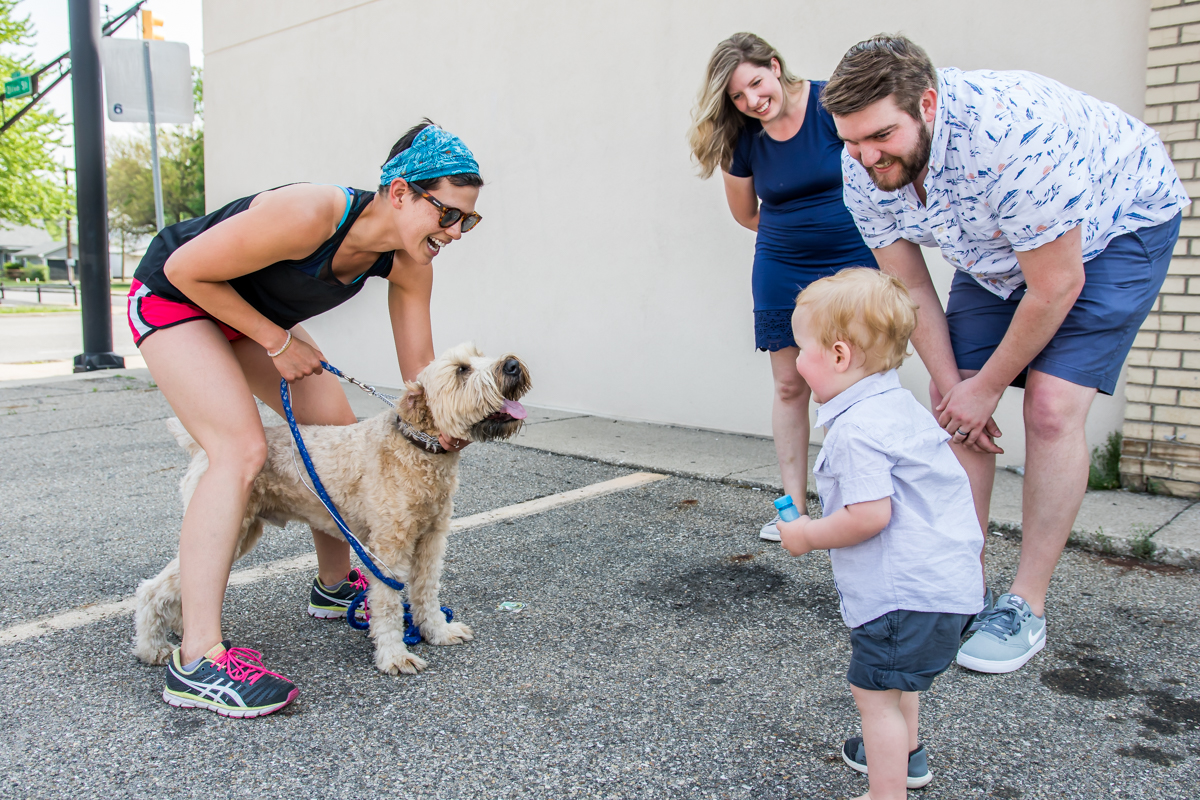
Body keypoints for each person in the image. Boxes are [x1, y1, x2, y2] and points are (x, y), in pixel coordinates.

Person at [821, 35, 1188, 675]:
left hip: (1116, 227)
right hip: (996, 247)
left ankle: (1025, 604)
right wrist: (956, 387)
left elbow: (1056, 284)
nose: (865, 156)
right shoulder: (862, 162)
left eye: (880, 137)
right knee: (953, 403)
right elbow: (908, 285)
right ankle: (961, 582)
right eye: (851, 141)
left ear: (927, 105)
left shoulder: (1012, 138)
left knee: (1049, 407)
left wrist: (988, 386)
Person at [127, 121, 483, 717]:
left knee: (340, 437)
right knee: (240, 452)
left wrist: (446, 424)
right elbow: (186, 271)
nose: (455, 232)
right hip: (176, 298)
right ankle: (198, 659)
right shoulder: (312, 211)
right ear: (399, 193)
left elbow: (421, 372)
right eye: (447, 214)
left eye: (467, 221)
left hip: (246, 318)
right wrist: (274, 340)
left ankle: (334, 587)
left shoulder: (412, 261)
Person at [778, 268, 983, 800]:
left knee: (873, 695)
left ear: (840, 356)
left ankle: (885, 792)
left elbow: (870, 516)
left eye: (803, 348)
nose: (796, 360)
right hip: (946, 587)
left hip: (902, 594)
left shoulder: (856, 428)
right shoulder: (901, 409)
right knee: (898, 684)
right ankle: (907, 756)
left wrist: (804, 534)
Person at [687, 33, 878, 542]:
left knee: (855, 385)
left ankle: (860, 500)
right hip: (782, 263)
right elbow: (747, 214)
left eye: (755, 83)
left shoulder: (831, 104)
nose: (751, 101)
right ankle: (793, 508)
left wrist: (831, 229)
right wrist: (796, 233)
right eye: (736, 96)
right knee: (792, 385)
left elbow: (875, 169)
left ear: (774, 66)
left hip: (853, 261)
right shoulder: (744, 139)